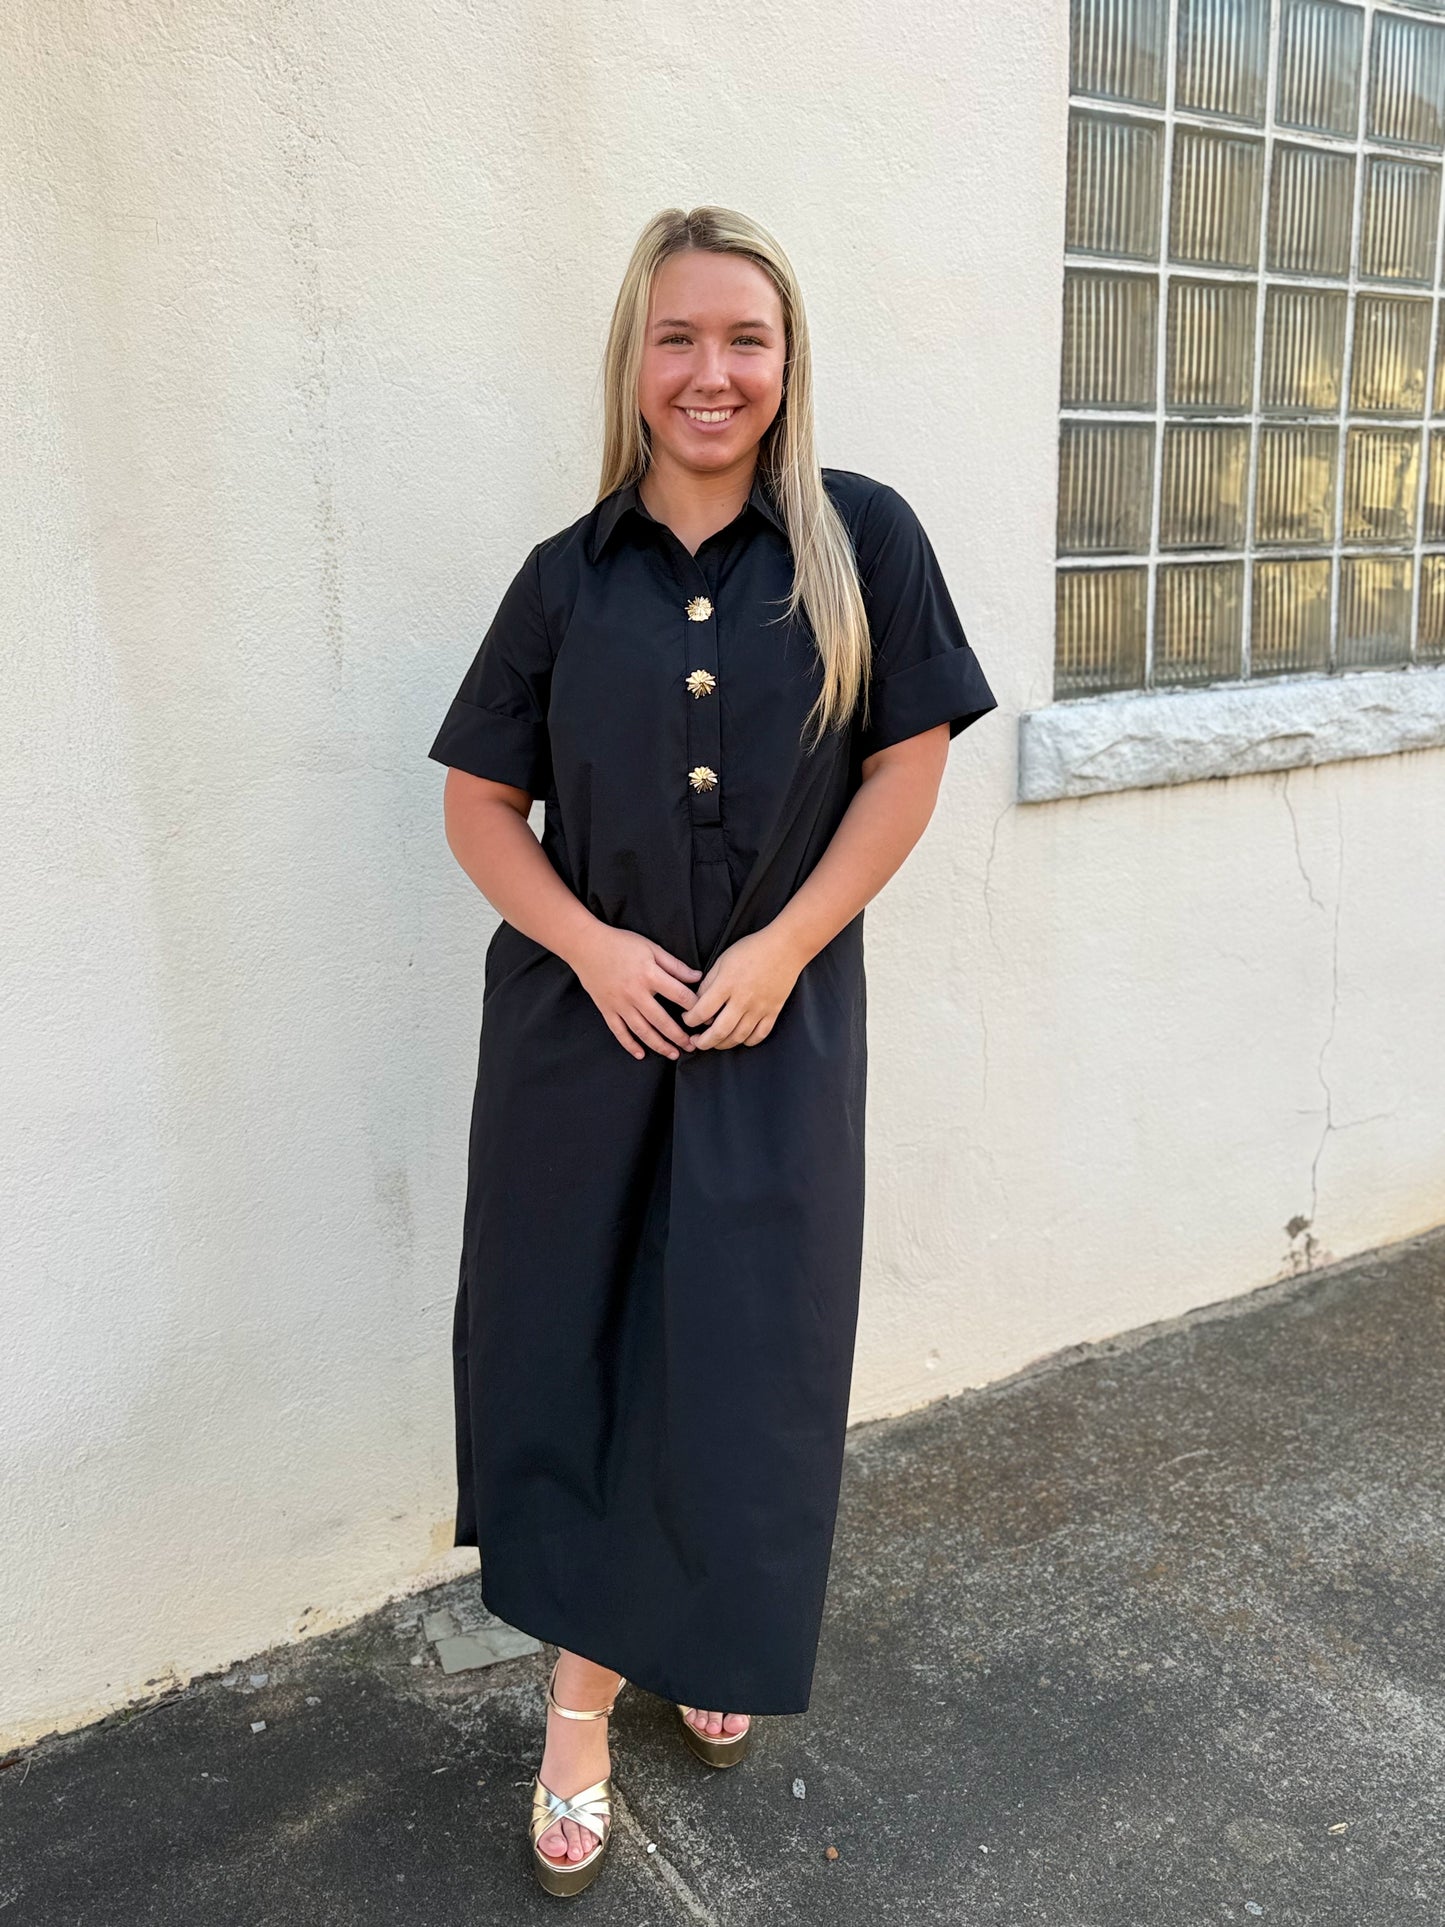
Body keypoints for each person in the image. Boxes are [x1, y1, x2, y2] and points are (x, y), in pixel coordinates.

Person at [427, 204, 999, 1896]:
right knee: (585, 1364)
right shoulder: (564, 575)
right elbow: (477, 807)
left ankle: (705, 1638)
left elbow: (907, 765)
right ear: (634, 360)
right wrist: (592, 946)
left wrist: (779, 950)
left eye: (743, 339)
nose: (710, 372)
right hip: (578, 1043)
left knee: (744, 1373)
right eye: (677, 337)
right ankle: (581, 1716)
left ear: (785, 361)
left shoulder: (859, 541)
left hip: (774, 1033)